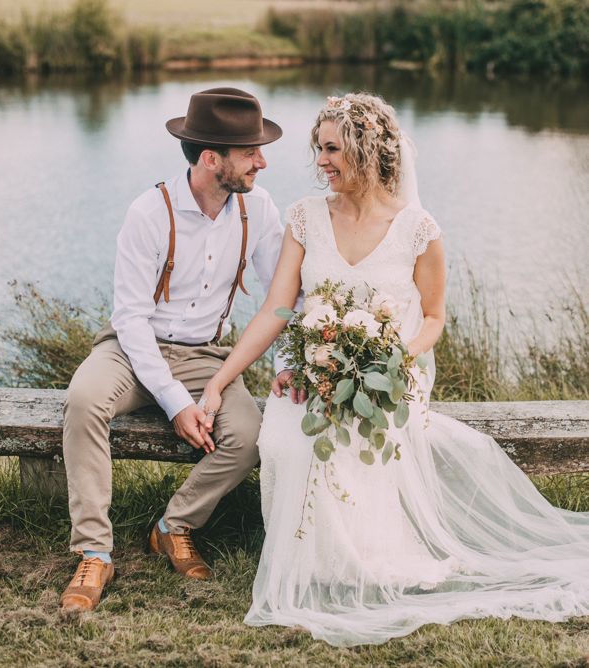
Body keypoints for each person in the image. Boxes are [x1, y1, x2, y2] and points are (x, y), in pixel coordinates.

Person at [199, 92, 589, 647]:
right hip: (319, 369)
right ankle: (314, 562)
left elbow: (433, 318)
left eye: (332, 149)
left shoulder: (418, 228)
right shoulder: (305, 218)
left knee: (359, 433)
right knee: (289, 440)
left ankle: (369, 560)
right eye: (319, 149)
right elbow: (276, 310)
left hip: (392, 373)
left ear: (364, 148)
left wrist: (391, 362)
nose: (321, 162)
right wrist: (226, 378)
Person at [59, 88, 285, 612]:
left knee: (250, 434)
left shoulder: (259, 209)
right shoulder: (148, 212)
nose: (262, 161)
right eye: (250, 152)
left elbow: (280, 298)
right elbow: (130, 319)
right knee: (84, 401)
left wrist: (289, 364)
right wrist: (176, 402)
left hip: (207, 355)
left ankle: (174, 524)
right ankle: (94, 551)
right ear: (212, 160)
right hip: (132, 352)